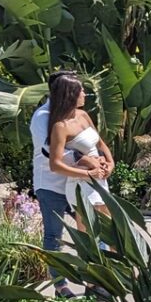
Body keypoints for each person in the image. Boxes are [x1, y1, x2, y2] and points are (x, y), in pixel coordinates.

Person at [30, 69, 113, 254]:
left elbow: (98, 142)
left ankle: (107, 275)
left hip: (85, 180)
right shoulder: (43, 117)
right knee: (55, 234)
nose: (84, 93)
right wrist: (89, 163)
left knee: (101, 229)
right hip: (54, 183)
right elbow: (50, 152)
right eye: (79, 88)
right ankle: (62, 282)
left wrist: (106, 162)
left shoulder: (81, 114)